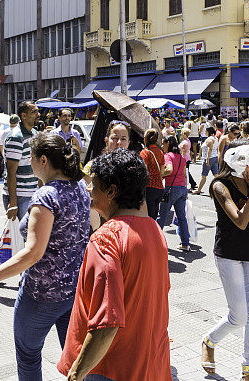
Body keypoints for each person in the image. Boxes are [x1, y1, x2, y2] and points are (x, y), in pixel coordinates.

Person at [0, 133, 90, 380]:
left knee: (29, 358)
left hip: (40, 295)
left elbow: (33, 253)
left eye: (30, 157)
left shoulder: (47, 196)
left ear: (42, 160)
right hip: (73, 292)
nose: (28, 162)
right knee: (76, 362)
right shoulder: (80, 187)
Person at [58, 149, 170, 381]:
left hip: (109, 367)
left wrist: (76, 373)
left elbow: (107, 322)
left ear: (111, 191)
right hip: (148, 363)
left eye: (94, 184)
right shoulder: (154, 230)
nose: (88, 188)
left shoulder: (107, 238)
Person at [201, 140, 249, 380]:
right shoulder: (219, 185)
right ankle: (209, 341)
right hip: (228, 255)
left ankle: (248, 369)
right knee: (239, 317)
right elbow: (241, 221)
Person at [4, 102, 39, 221]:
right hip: (20, 196)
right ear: (23, 116)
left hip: (33, 192)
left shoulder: (35, 134)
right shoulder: (15, 137)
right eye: (34, 112)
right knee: (20, 237)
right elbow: (11, 172)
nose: (38, 115)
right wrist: (13, 202)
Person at [156, 135, 192, 252]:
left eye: (163, 143)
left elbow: (169, 169)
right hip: (182, 188)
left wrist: (160, 175)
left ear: (168, 144)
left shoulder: (168, 156)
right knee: (182, 217)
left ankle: (156, 243)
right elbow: (184, 174)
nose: (162, 146)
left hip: (171, 189)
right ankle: (185, 243)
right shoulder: (182, 157)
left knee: (162, 216)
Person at [139, 128, 166, 220]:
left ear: (145, 139)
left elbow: (144, 172)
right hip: (159, 187)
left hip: (149, 188)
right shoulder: (160, 153)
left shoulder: (145, 153)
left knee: (148, 217)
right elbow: (162, 172)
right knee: (153, 216)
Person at [194, 125, 219, 195]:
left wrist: (207, 159)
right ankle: (223, 187)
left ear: (209, 132)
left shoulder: (209, 139)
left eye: (206, 131)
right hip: (215, 157)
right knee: (216, 175)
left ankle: (198, 190)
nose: (205, 132)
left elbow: (209, 149)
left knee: (204, 175)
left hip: (209, 158)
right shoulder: (215, 138)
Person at [179, 128, 197, 192]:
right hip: (187, 158)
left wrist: (181, 159)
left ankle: (191, 184)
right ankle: (193, 183)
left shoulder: (185, 142)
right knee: (186, 172)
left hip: (185, 158)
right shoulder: (187, 141)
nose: (181, 134)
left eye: (182, 133)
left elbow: (184, 151)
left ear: (184, 134)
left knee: (185, 172)